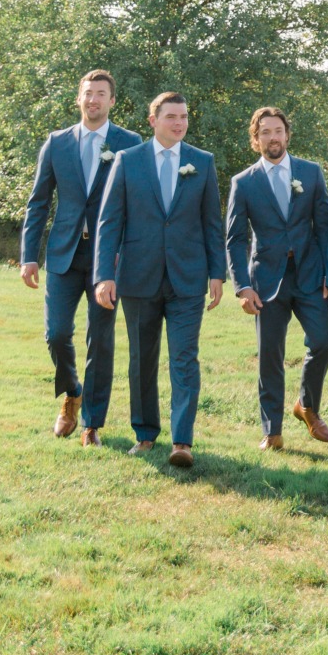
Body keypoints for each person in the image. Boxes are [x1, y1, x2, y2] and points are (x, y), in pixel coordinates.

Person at [93, 92, 224, 468]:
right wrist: (104, 275)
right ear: (153, 121)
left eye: (183, 116)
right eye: (171, 117)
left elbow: (212, 223)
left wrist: (218, 272)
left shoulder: (202, 162)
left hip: (187, 278)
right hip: (137, 276)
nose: (179, 123)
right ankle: (146, 434)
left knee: (185, 358)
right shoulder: (127, 160)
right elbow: (109, 222)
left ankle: (182, 441)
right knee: (141, 360)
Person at [19, 70, 141, 445]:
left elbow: (136, 205)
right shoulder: (56, 143)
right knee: (56, 334)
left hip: (108, 259)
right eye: (88, 94)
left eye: (101, 94)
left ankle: (91, 424)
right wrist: (29, 255)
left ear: (112, 101)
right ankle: (72, 391)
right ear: (79, 98)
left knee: (100, 340)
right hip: (63, 253)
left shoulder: (129, 142)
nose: (93, 100)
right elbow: (38, 202)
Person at [225, 105, 328, 452]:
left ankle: (306, 405)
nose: (273, 138)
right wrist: (242, 286)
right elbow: (235, 238)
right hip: (265, 281)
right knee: (270, 354)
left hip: (309, 274)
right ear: (255, 140)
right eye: (265, 133)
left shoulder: (311, 172)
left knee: (324, 340)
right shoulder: (243, 182)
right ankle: (272, 430)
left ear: (287, 134)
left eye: (278, 131)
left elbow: (326, 229)